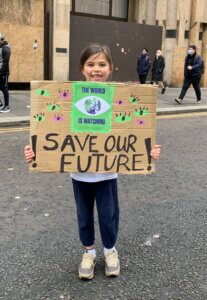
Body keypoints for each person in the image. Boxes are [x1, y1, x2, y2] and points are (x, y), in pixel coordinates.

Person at [24, 44, 161, 280]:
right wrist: (35, 152)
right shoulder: (70, 95)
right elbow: (51, 129)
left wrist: (148, 152)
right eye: (90, 64)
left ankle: (110, 251)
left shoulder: (121, 97)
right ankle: (88, 252)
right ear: (82, 69)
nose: (96, 69)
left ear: (110, 69)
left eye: (101, 64)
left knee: (109, 216)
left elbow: (134, 134)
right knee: (84, 216)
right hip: (80, 175)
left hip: (107, 175)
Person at [0, 32, 11, 113]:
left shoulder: (6, 48)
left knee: (4, 88)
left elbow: (5, 62)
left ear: (1, 39)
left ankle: (7, 106)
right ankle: (0, 104)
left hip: (3, 73)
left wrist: (1, 71)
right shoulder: (0, 47)